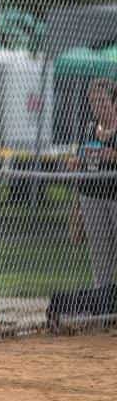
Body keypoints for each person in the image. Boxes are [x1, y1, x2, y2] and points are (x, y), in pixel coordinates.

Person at [78, 78, 117, 287]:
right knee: (99, 252)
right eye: (93, 102)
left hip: (113, 195)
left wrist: (112, 155)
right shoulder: (89, 128)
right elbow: (83, 158)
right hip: (91, 195)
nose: (97, 106)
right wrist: (77, 162)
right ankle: (102, 297)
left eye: (102, 100)